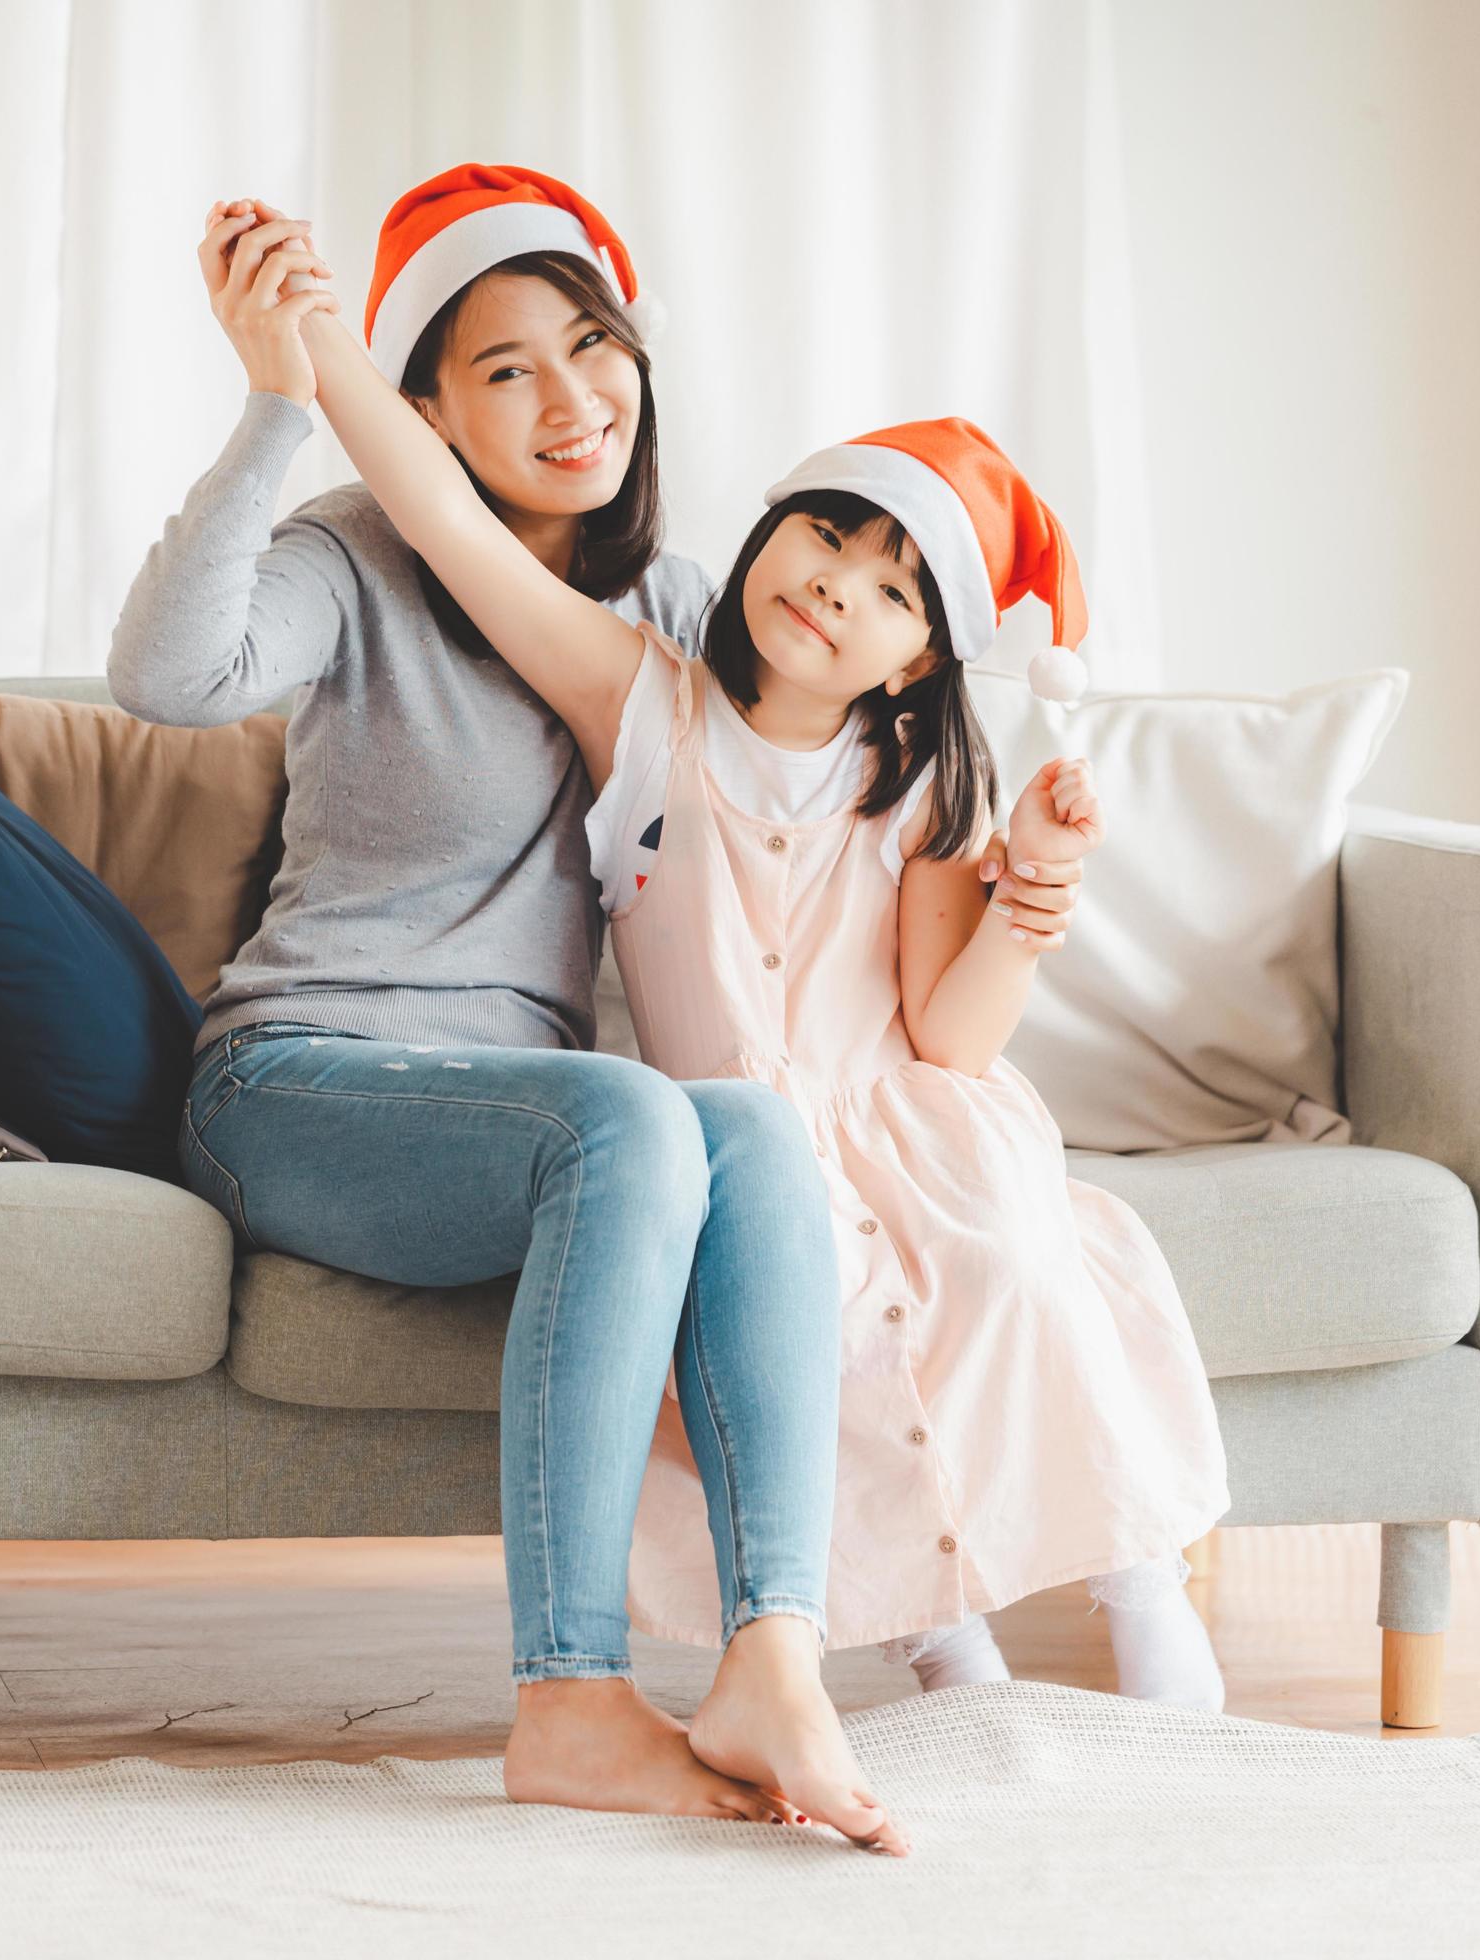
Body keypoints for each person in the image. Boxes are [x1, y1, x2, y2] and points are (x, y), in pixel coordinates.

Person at [289, 271, 1235, 1713]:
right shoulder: (638, 704)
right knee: (810, 1317)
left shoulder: (917, 782)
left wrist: (1030, 889)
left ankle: (1138, 1582)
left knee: (1008, 1275)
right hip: (736, 1142)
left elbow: (951, 1038)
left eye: (892, 590)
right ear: (762, 534)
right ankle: (937, 1643)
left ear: (922, 658)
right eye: (824, 534)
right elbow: (445, 523)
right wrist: (308, 341)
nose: (837, 586)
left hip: (911, 1128)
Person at [112, 165, 903, 1853]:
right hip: (302, 1085)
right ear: (423, 413)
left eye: (590, 346)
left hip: (539, 1139)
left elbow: (815, 787)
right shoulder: (353, 557)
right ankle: (568, 1699)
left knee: (748, 1129)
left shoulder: (686, 605)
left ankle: (776, 1651)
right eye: (504, 370)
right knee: (623, 1112)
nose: (570, 399)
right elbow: (165, 679)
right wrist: (272, 412)